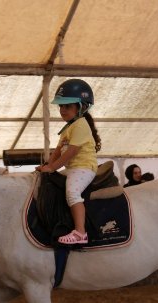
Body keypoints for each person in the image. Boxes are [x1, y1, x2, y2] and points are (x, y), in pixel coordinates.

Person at [36, 79, 102, 245]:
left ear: (82, 107)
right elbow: (58, 151)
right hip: (73, 168)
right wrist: (47, 165)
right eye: (61, 106)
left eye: (67, 106)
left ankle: (80, 233)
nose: (62, 110)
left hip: (84, 168)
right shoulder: (68, 128)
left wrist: (52, 167)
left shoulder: (80, 125)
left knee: (72, 193)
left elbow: (71, 152)